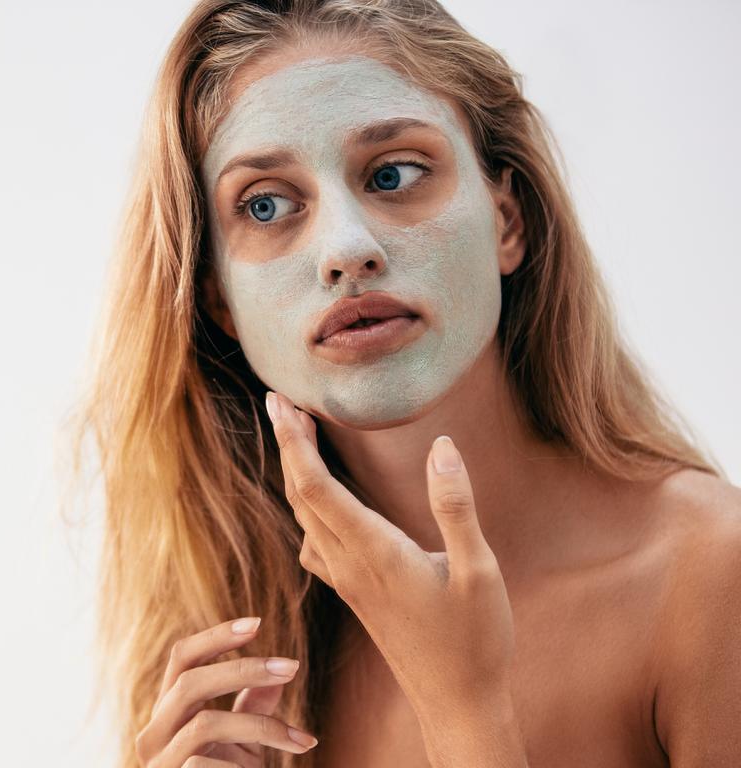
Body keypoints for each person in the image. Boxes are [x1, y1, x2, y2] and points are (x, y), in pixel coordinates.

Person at [65, 1, 741, 766]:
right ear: (218, 297)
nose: (347, 251)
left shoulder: (712, 576)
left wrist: (465, 708)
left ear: (507, 221)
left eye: (393, 174)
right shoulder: (241, 670)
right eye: (265, 204)